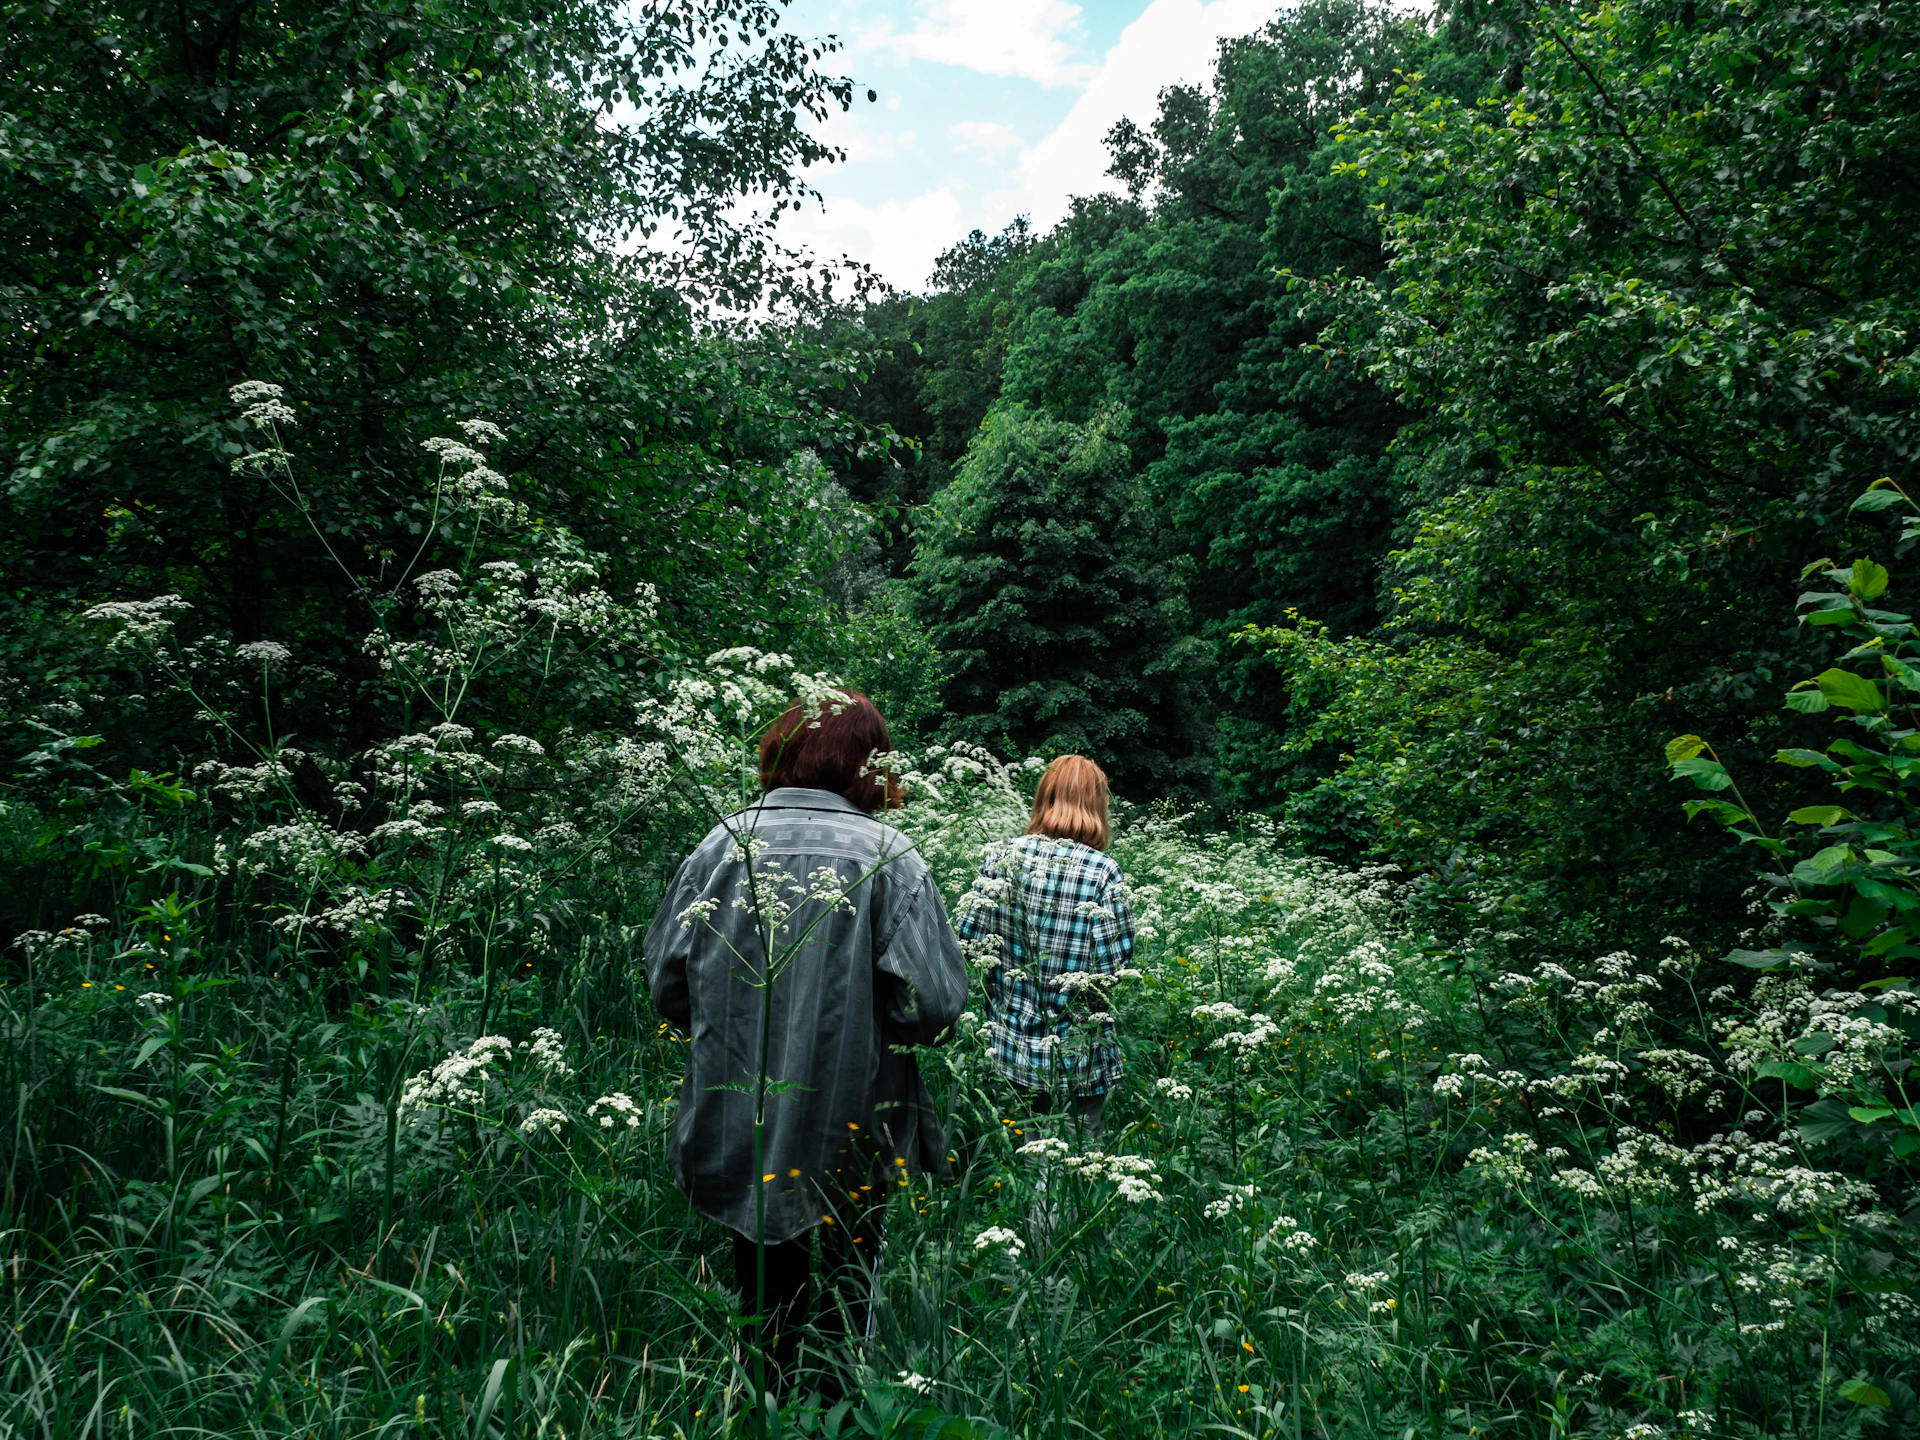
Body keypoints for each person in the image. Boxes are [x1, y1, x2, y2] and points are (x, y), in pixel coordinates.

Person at [643, 691, 966, 1395]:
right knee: (853, 1277)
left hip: (739, 1107)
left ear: (780, 750)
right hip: (857, 1111)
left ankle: (767, 1397)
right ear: (869, 765)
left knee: (763, 1274)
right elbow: (934, 1004)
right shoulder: (891, 856)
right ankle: (843, 1399)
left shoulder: (723, 844)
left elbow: (668, 981)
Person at [957, 754, 1132, 1138]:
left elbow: (967, 942)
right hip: (1077, 1061)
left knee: (1017, 1163)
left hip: (1009, 1050)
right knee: (1075, 1171)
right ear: (1097, 805)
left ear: (1044, 798)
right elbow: (1112, 972)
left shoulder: (1001, 858)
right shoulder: (1103, 872)